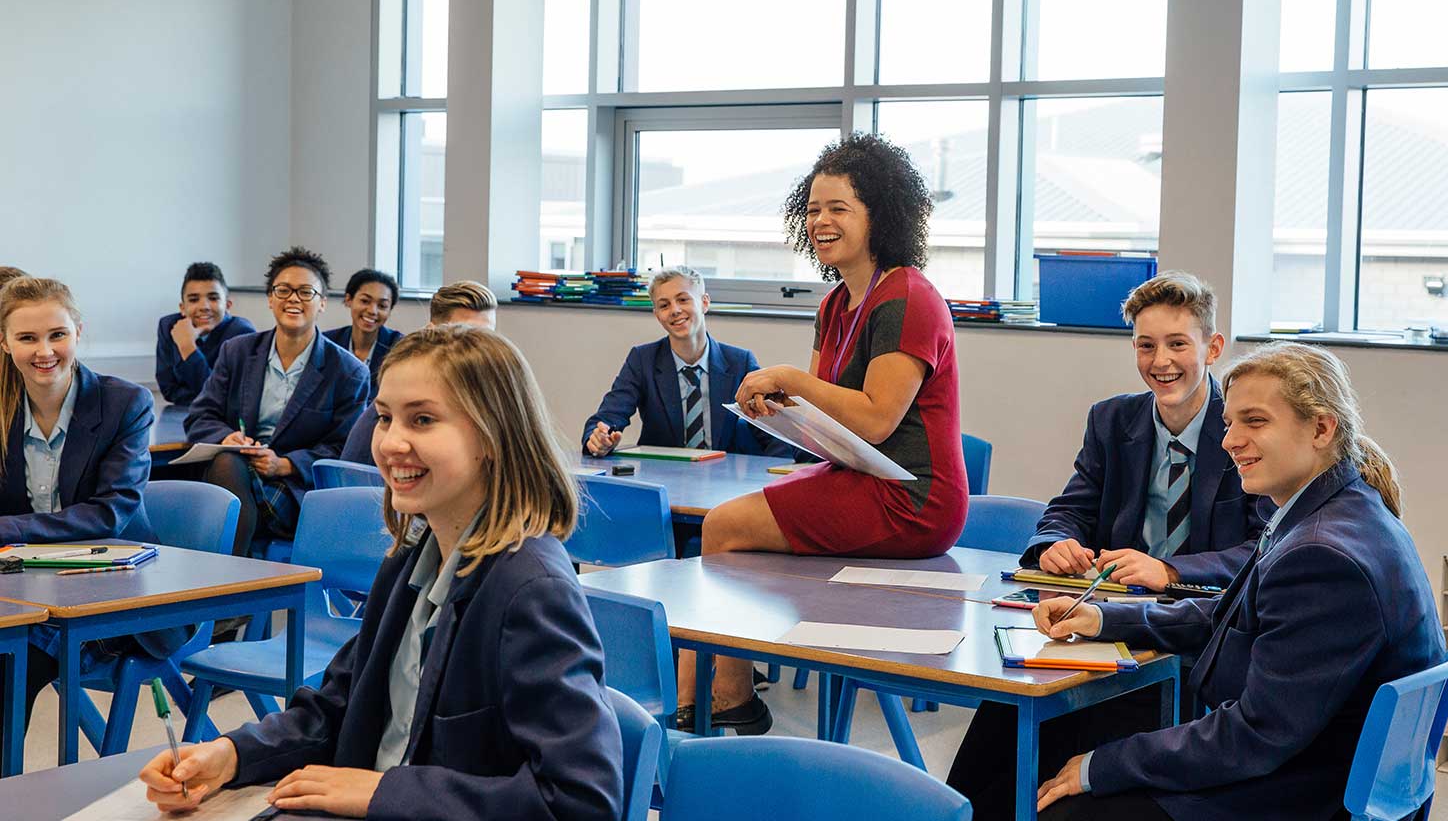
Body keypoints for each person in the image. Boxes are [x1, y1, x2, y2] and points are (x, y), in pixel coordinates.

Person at [140, 326, 623, 821]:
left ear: (492, 437)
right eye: (386, 418)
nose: (392, 443)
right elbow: (340, 706)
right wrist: (232, 755)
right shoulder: (411, 557)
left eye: (423, 420)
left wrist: (383, 793)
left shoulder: (530, 589)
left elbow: (579, 802)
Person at [949, 341, 1445, 821]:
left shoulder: (1322, 553)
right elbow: (1229, 613)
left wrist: (1103, 766)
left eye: (1255, 422)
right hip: (1307, 762)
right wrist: (1102, 616)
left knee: (1064, 797)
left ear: (1321, 428)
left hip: (1302, 791)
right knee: (1017, 730)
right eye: (1229, 423)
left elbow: (1254, 735)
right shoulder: (1335, 511)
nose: (1229, 441)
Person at [676, 133, 969, 734]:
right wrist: (780, 408)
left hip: (913, 497)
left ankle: (718, 702)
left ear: (878, 214)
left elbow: (877, 417)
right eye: (812, 208)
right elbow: (831, 424)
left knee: (723, 526)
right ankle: (713, 701)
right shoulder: (836, 303)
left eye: (839, 208)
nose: (820, 220)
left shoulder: (909, 297)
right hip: (863, 477)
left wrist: (790, 379)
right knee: (730, 528)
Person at [0, 277, 185, 746]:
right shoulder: (4, 408)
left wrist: (7, 529)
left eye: (57, 334)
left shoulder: (126, 403)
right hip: (25, 587)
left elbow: (110, 513)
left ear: (78, 332)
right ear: (4, 344)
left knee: (8, 662)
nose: (44, 351)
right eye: (27, 338)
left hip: (116, 595)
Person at [1022, 272, 1266, 590]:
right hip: (1119, 605)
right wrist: (1055, 543)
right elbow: (1072, 510)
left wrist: (1170, 571)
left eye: (1178, 344)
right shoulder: (1110, 421)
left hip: (1208, 613)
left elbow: (1266, 546)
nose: (1161, 361)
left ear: (1213, 348)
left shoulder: (1246, 429)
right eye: (1147, 346)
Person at [186, 247, 370, 555]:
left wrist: (284, 464)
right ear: (270, 299)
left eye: (306, 292)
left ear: (322, 303)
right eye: (283, 290)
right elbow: (200, 416)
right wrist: (226, 437)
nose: (293, 299)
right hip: (238, 472)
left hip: (296, 490)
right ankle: (236, 583)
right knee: (227, 463)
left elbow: (344, 450)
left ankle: (226, 582)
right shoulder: (238, 352)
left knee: (215, 497)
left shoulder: (349, 371)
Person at [581, 266, 787, 459]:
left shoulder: (740, 362)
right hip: (662, 475)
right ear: (657, 315)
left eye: (683, 300)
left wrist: (777, 478)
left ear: (705, 302)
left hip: (721, 480)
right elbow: (608, 417)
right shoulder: (642, 360)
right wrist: (598, 438)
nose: (675, 310)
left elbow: (773, 431)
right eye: (664, 305)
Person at [341, 280, 499, 467]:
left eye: (486, 337)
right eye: (464, 336)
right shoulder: (406, 395)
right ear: (431, 333)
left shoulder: (490, 395)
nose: (477, 348)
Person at [154, 262, 255, 406]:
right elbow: (169, 390)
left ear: (227, 305)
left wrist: (188, 348)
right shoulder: (168, 326)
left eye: (213, 298)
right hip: (180, 415)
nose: (204, 307)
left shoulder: (242, 333)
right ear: (182, 308)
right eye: (194, 299)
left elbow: (222, 397)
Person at [326, 268, 402, 393]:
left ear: (390, 310)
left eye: (382, 306)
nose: (372, 311)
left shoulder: (399, 348)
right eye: (365, 301)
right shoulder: (327, 343)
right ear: (348, 300)